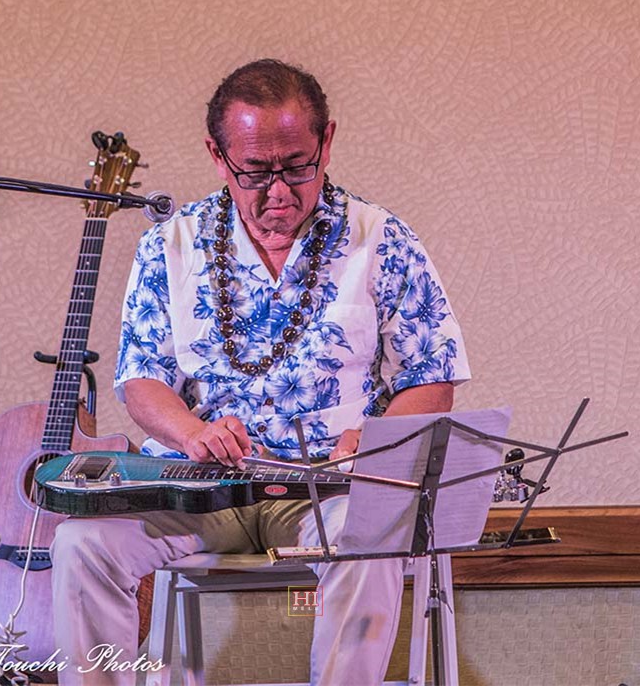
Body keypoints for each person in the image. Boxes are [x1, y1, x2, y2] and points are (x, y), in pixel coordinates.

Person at [51, 58, 470, 685]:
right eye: (255, 171)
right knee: (80, 545)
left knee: (373, 536)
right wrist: (192, 431)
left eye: (298, 166)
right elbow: (141, 380)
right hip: (195, 488)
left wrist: (373, 439)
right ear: (217, 156)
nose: (278, 191)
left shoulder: (383, 240)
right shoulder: (169, 244)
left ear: (327, 142)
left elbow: (431, 377)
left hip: (327, 491)